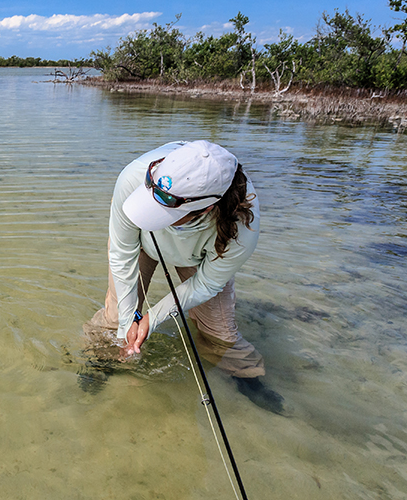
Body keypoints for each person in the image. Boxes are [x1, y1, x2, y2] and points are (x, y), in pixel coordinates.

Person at [83, 140, 284, 413]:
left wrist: (153, 318)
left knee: (220, 334)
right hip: (139, 244)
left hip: (200, 257)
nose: (148, 211)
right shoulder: (134, 177)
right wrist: (128, 322)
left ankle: (246, 375)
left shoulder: (243, 229)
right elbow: (121, 253)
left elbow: (206, 283)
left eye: (163, 211)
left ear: (206, 209)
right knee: (116, 316)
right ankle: (99, 362)